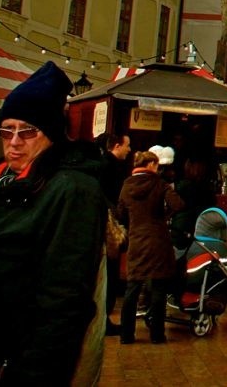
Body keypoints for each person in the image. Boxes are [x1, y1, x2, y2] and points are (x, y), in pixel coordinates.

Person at [0, 61, 109, 385]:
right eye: (7, 130)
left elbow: (63, 302)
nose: (15, 141)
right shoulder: (7, 182)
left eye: (28, 131)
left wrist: (26, 375)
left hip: (15, 366)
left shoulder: (72, 189)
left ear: (51, 134)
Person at [117, 150, 185, 344]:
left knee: (132, 287)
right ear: (150, 165)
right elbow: (178, 204)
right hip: (158, 240)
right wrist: (164, 215)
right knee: (158, 288)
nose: (158, 169)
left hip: (136, 240)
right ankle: (157, 334)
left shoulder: (126, 185)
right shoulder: (159, 184)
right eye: (156, 165)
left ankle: (126, 335)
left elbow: (120, 213)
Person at [97, 132, 131, 336]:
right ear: (117, 145)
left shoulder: (104, 165)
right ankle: (105, 320)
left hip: (109, 226)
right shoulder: (111, 168)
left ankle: (104, 319)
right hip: (111, 228)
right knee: (109, 274)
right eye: (127, 145)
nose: (129, 149)